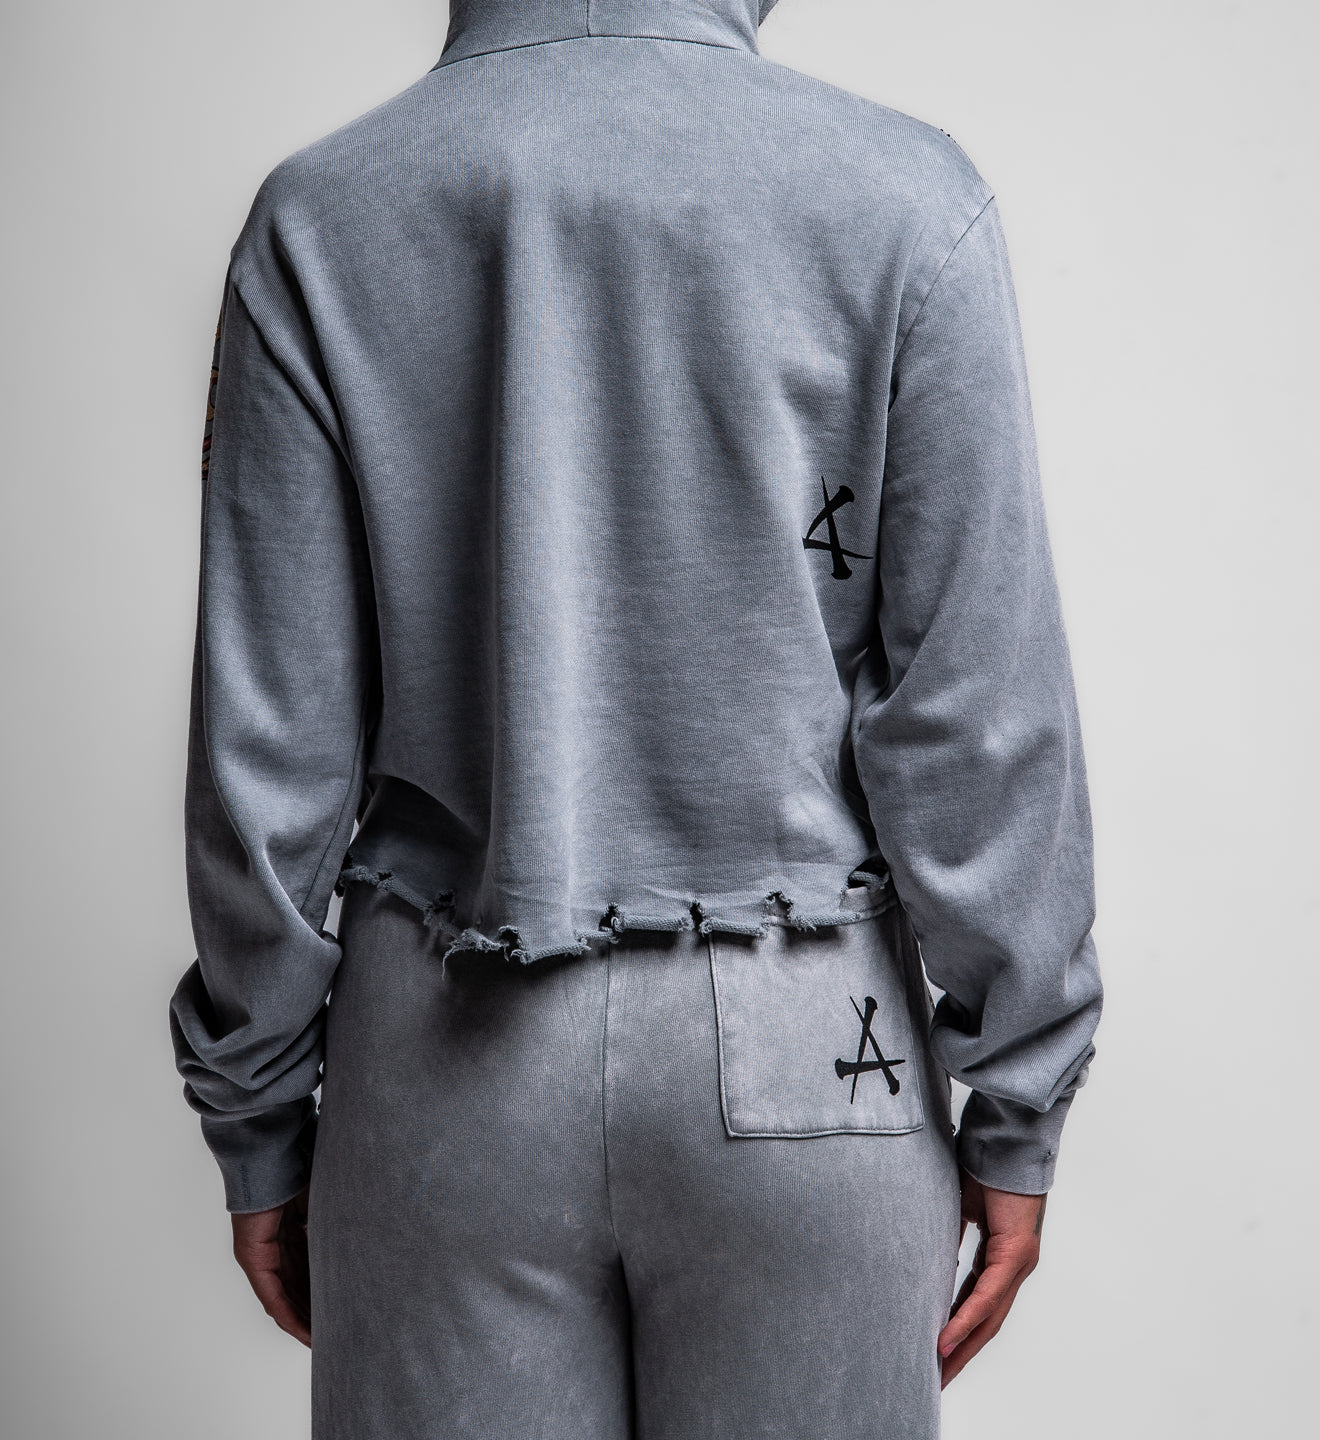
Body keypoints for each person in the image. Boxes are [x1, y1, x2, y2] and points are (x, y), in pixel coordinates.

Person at [169, 1, 1103, 1435]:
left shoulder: (321, 218)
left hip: (442, 1062)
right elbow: (974, 720)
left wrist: (256, 1112)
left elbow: (270, 753)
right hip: (815, 1043)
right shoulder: (908, 201)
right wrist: (1021, 1101)